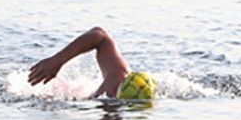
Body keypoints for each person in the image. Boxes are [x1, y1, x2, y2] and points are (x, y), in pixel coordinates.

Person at [28, 27, 156, 99]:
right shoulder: (118, 76)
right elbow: (100, 35)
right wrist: (57, 61)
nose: (111, 93)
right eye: (114, 90)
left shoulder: (115, 114)